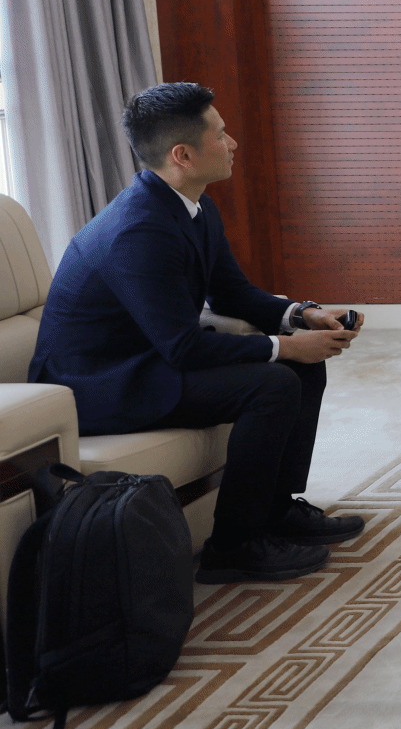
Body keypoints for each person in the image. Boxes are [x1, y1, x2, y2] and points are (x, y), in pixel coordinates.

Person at [29, 83, 366, 584]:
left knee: (302, 363)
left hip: (147, 360)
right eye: (221, 134)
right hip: (99, 385)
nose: (232, 143)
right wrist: (285, 347)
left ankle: (276, 510)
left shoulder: (192, 206)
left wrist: (301, 315)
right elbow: (184, 347)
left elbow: (231, 293)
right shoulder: (138, 231)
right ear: (182, 155)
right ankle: (233, 546)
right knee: (273, 383)